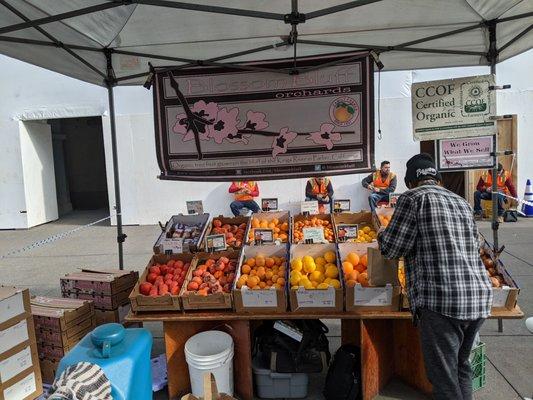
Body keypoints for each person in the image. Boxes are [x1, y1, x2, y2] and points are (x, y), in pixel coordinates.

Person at [378, 153, 492, 400]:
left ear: (410, 182)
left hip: (442, 301)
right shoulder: (461, 201)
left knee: (442, 379)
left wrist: (381, 233)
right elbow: (476, 245)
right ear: (437, 178)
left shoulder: (411, 198)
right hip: (478, 297)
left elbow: (392, 248)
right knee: (461, 366)